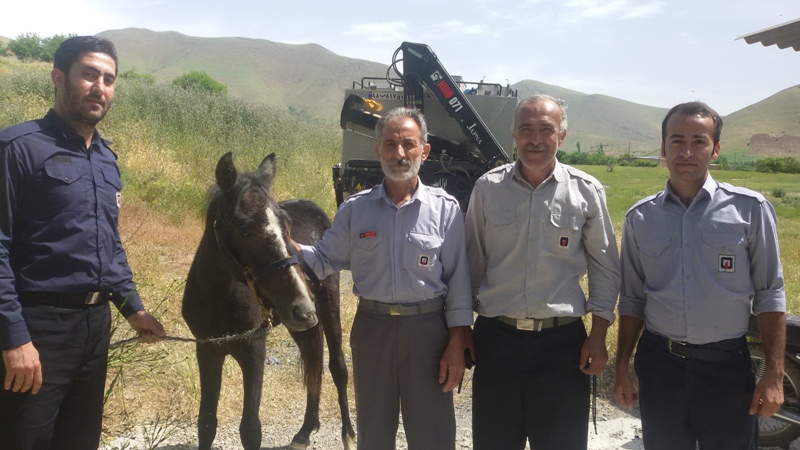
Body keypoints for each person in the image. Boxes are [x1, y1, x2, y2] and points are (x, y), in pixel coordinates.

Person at [0, 36, 166, 449]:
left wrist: (133, 308)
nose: (100, 87)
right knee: (24, 438)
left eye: (109, 79)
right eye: (89, 74)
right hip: (38, 327)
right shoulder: (19, 148)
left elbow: (107, 244)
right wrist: (14, 337)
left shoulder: (106, 159)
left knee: (79, 439)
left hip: (94, 327)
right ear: (59, 78)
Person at [295, 107, 472, 450]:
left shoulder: (445, 209)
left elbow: (459, 284)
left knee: (433, 435)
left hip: (428, 334)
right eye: (390, 144)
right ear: (377, 150)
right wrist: (284, 243)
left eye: (409, 144)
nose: (399, 153)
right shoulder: (355, 210)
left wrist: (457, 344)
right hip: (372, 330)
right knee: (374, 435)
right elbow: (323, 260)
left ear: (425, 150)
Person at [613, 101, 786, 450]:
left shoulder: (750, 210)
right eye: (676, 140)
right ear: (663, 149)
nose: (686, 151)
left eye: (699, 141)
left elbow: (770, 294)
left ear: (716, 149)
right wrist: (621, 367)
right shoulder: (640, 218)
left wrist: (773, 374)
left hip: (726, 367)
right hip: (661, 365)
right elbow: (632, 300)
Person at [464, 94, 621, 449]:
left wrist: (598, 336)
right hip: (495, 342)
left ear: (561, 136)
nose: (535, 139)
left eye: (545, 129)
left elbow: (605, 267)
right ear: (514, 135)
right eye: (526, 129)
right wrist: (461, 331)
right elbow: (469, 264)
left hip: (562, 347)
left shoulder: (586, 192)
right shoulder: (487, 189)